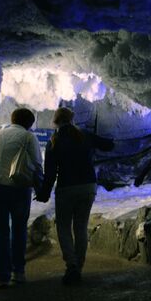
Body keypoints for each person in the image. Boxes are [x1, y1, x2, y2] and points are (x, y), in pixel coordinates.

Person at [35, 107, 114, 285]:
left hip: (67, 188)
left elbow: (50, 174)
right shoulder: (84, 135)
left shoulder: (53, 141)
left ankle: (71, 265)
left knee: (63, 227)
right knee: (80, 227)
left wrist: (44, 193)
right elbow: (109, 145)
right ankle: (79, 266)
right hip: (88, 186)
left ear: (55, 121)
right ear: (72, 119)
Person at [0, 108, 43, 288]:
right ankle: (18, 273)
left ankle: (2, 277)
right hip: (19, 187)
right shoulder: (29, 137)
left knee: (0, 232)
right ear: (29, 123)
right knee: (19, 230)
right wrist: (40, 186)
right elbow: (37, 164)